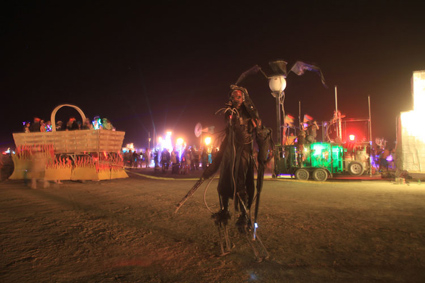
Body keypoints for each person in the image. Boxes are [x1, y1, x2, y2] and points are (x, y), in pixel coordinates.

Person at [202, 85, 273, 232]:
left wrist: (262, 157)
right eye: (233, 97)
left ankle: (244, 215)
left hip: (244, 152)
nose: (236, 99)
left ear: (244, 98)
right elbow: (227, 137)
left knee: (241, 184)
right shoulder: (229, 115)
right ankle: (224, 211)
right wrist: (213, 166)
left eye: (239, 97)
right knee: (223, 183)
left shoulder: (251, 115)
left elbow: (261, 135)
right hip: (229, 152)